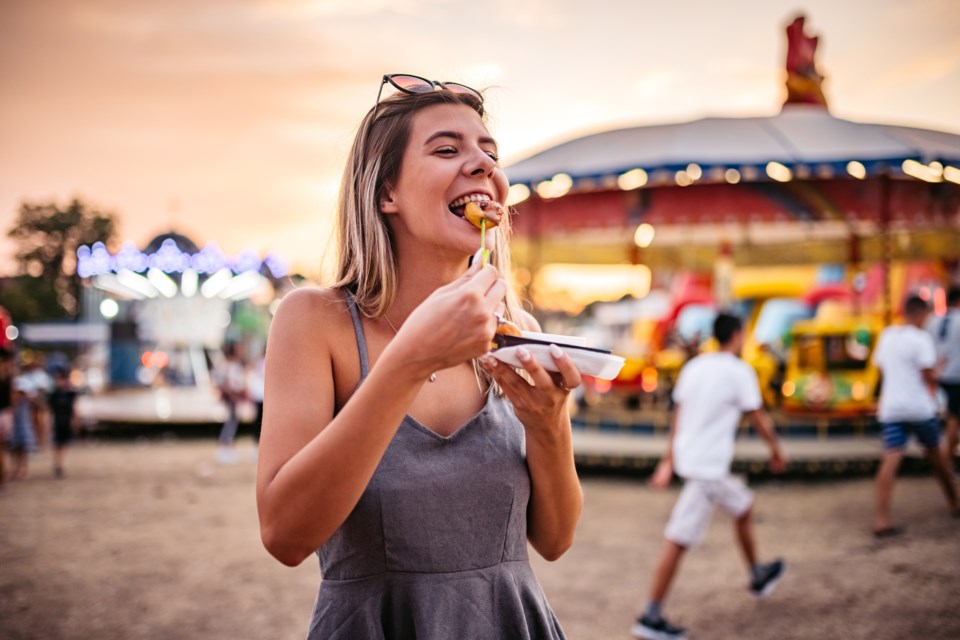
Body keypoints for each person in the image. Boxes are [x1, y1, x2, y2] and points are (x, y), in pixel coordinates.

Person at [256, 74, 583, 639]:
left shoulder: (515, 330)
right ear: (388, 193)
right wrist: (408, 362)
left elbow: (553, 541)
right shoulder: (315, 321)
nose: (483, 165)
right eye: (448, 149)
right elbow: (285, 536)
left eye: (489, 152)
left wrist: (548, 423)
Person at [634, 312, 786, 640]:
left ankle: (758, 573)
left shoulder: (694, 367)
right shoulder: (739, 372)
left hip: (697, 462)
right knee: (677, 539)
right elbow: (758, 419)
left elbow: (678, 417)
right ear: (737, 335)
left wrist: (668, 460)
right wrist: (775, 450)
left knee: (744, 507)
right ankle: (650, 615)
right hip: (707, 471)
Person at [872, 295, 960, 537]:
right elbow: (929, 377)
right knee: (938, 457)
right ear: (921, 314)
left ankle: (881, 519)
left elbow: (880, 369)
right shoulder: (921, 339)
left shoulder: (887, 336)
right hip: (919, 408)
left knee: (890, 460)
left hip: (891, 408)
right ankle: (954, 501)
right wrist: (940, 367)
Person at [928, 285, 960, 460]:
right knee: (954, 419)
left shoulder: (933, 320)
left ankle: (948, 456)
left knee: (950, 419)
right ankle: (947, 460)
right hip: (956, 376)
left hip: (938, 376)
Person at [215, 343, 247, 464]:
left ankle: (227, 446)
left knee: (232, 421)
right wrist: (233, 395)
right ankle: (225, 447)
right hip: (231, 397)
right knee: (231, 422)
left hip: (232, 397)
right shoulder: (231, 366)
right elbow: (228, 383)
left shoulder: (229, 366)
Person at [47, 366, 79, 478]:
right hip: (57, 421)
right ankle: (58, 463)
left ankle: (59, 463)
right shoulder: (54, 394)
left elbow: (74, 408)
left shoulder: (69, 394)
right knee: (57, 444)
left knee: (62, 444)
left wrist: (74, 420)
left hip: (65, 420)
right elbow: (49, 410)